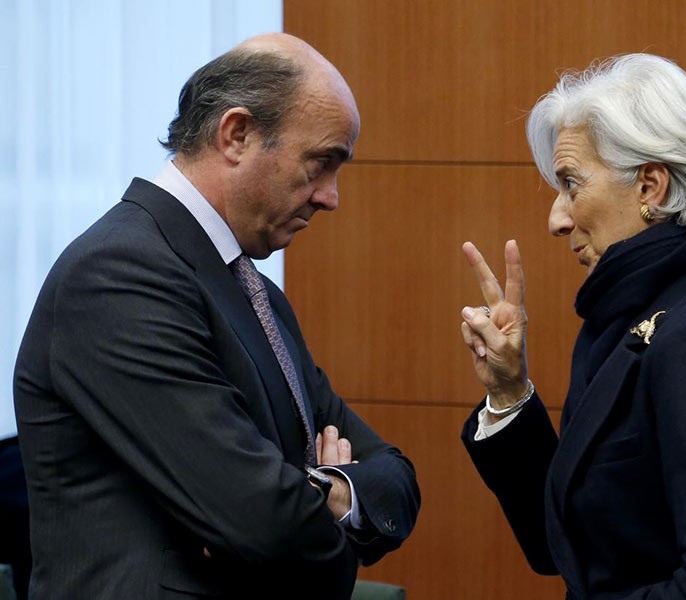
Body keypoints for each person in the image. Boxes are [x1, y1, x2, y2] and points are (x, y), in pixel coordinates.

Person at [14, 33, 419, 599]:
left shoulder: (253, 290)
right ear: (237, 135)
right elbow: (261, 521)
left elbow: (395, 475)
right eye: (321, 163)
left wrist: (322, 492)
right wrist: (325, 503)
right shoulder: (118, 275)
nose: (331, 197)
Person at [458, 54, 686, 598]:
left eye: (571, 184)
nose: (557, 219)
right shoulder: (632, 322)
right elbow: (565, 546)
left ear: (650, 187)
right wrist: (509, 392)